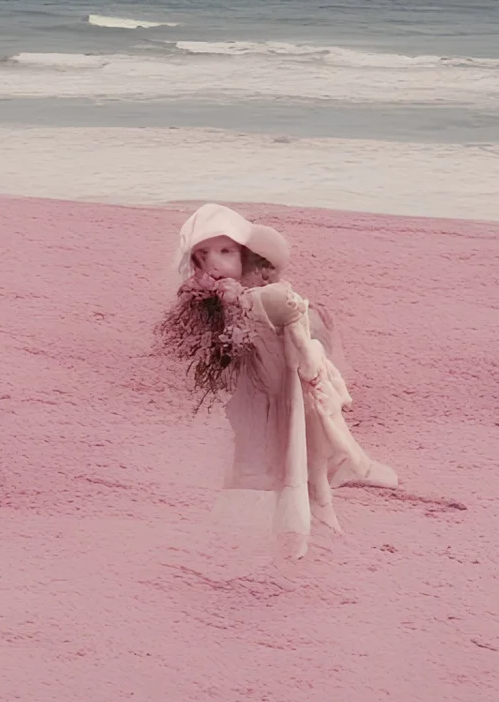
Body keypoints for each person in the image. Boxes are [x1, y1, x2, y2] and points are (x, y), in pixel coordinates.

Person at [155, 202, 397, 557]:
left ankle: (318, 502)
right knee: (267, 451)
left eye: (226, 251)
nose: (215, 262)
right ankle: (279, 519)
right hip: (255, 390)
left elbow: (289, 314)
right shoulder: (211, 297)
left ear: (247, 255)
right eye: (203, 254)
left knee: (302, 439)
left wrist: (247, 304)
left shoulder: (268, 294)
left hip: (289, 381)